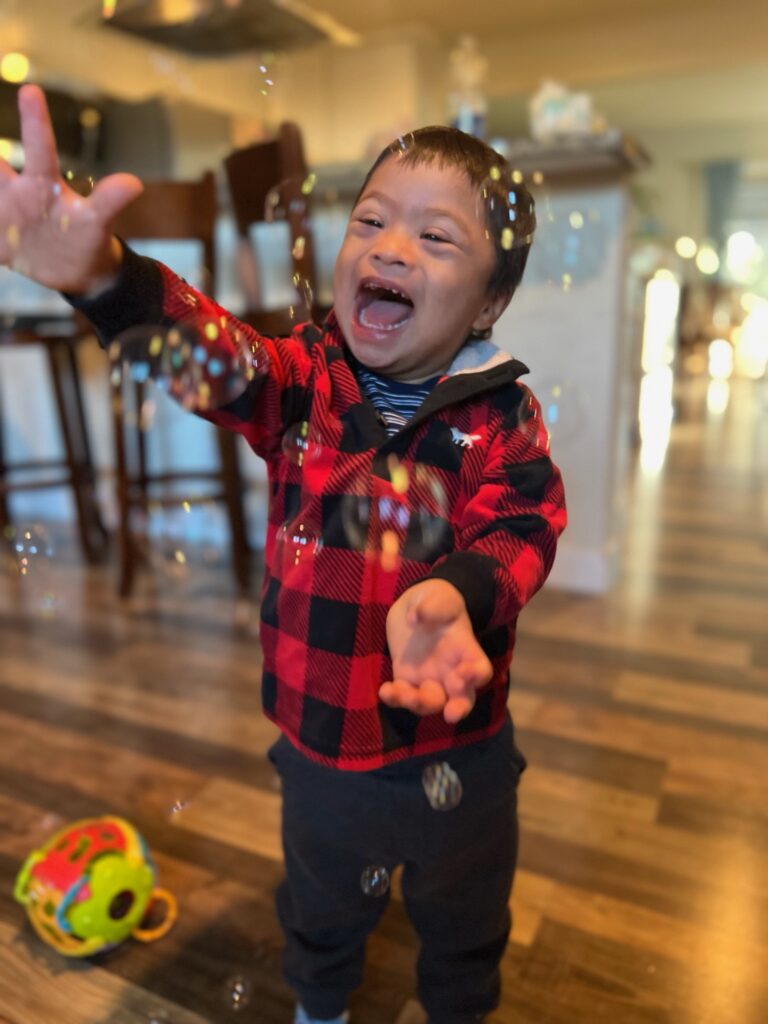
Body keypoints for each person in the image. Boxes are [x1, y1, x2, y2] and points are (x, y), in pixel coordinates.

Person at [0, 85, 566, 1024]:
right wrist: (103, 278)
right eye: (371, 220)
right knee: (319, 908)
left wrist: (461, 593)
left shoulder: (502, 416)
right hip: (317, 743)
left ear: (491, 300)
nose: (388, 246)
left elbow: (527, 521)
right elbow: (211, 359)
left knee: (465, 917)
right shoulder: (304, 381)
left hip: (458, 754)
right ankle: (319, 1004)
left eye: (435, 239)